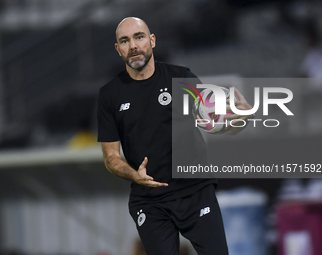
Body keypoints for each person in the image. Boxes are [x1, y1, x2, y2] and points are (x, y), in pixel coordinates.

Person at [97, 17, 253, 255]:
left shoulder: (181, 78)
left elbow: (216, 121)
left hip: (195, 191)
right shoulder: (110, 95)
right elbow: (110, 157)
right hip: (149, 200)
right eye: (125, 41)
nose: (133, 46)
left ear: (152, 41)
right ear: (118, 49)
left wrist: (240, 119)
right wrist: (133, 174)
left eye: (139, 37)